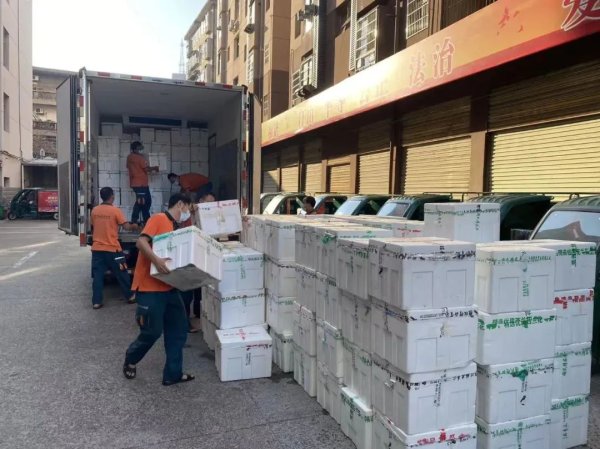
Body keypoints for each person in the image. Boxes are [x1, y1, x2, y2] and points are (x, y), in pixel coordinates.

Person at [123, 193, 195, 386]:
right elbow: (141, 242)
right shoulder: (159, 218)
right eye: (188, 208)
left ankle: (173, 374)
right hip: (150, 288)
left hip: (170, 287)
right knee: (152, 332)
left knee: (178, 330)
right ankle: (131, 357)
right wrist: (156, 261)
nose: (188, 213)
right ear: (180, 204)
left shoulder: (175, 227)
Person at [90, 187, 139, 309]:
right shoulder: (115, 211)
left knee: (98, 276)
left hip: (97, 249)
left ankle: (96, 301)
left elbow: (93, 225)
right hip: (113, 249)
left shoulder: (95, 210)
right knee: (122, 273)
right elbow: (126, 227)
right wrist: (134, 226)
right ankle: (130, 296)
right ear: (112, 196)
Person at [127, 141, 159, 224]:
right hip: (140, 184)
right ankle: (136, 221)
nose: (141, 149)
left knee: (146, 201)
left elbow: (130, 167)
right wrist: (155, 168)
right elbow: (146, 169)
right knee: (141, 202)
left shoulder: (129, 157)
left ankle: (144, 220)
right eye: (140, 148)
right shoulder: (140, 158)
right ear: (136, 149)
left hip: (137, 183)